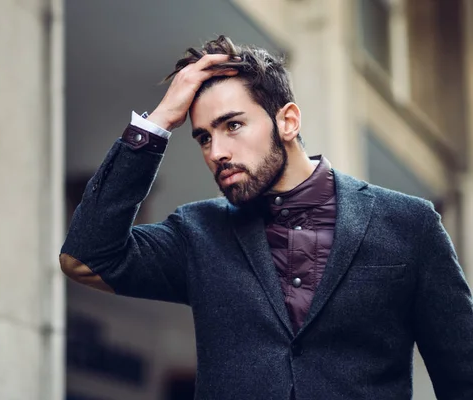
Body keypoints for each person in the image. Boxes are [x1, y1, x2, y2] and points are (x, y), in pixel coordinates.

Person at [59, 36, 473, 399]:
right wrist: (158, 123)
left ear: (288, 121)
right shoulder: (196, 233)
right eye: (204, 137)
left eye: (233, 125)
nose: (216, 151)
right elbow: (87, 259)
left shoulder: (408, 224)